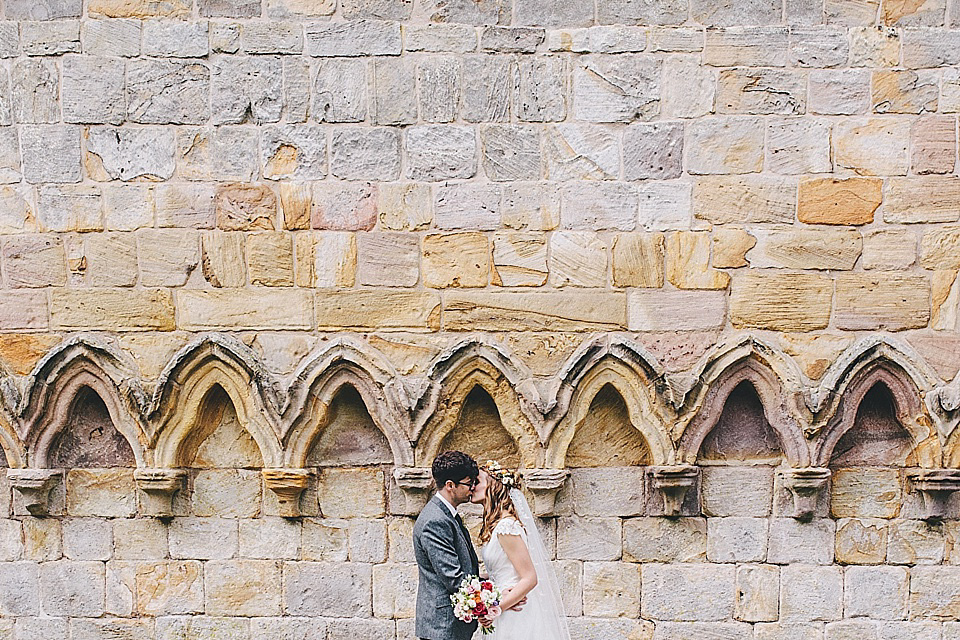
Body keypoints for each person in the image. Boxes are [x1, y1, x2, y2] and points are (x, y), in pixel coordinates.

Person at [472, 460, 572, 640]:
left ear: (493, 486)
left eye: (478, 481)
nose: (472, 486)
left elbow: (530, 577)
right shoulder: (497, 527)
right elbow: (503, 568)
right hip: (503, 604)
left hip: (514, 612)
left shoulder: (506, 527)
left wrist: (497, 608)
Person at [412, 451, 482, 640]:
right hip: (442, 627)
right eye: (469, 483)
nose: (473, 488)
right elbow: (453, 578)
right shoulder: (435, 520)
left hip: (448, 626)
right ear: (450, 485)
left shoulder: (446, 515)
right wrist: (492, 599)